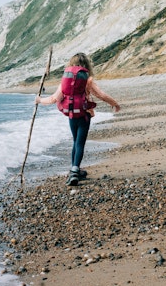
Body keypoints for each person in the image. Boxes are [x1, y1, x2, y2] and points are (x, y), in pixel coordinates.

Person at [36, 53, 121, 186]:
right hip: (84, 114)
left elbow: (54, 99)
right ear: (87, 64)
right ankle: (75, 170)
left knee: (75, 141)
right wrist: (114, 103)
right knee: (80, 143)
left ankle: (74, 169)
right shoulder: (88, 79)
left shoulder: (66, 80)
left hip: (71, 114)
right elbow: (101, 95)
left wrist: (39, 100)